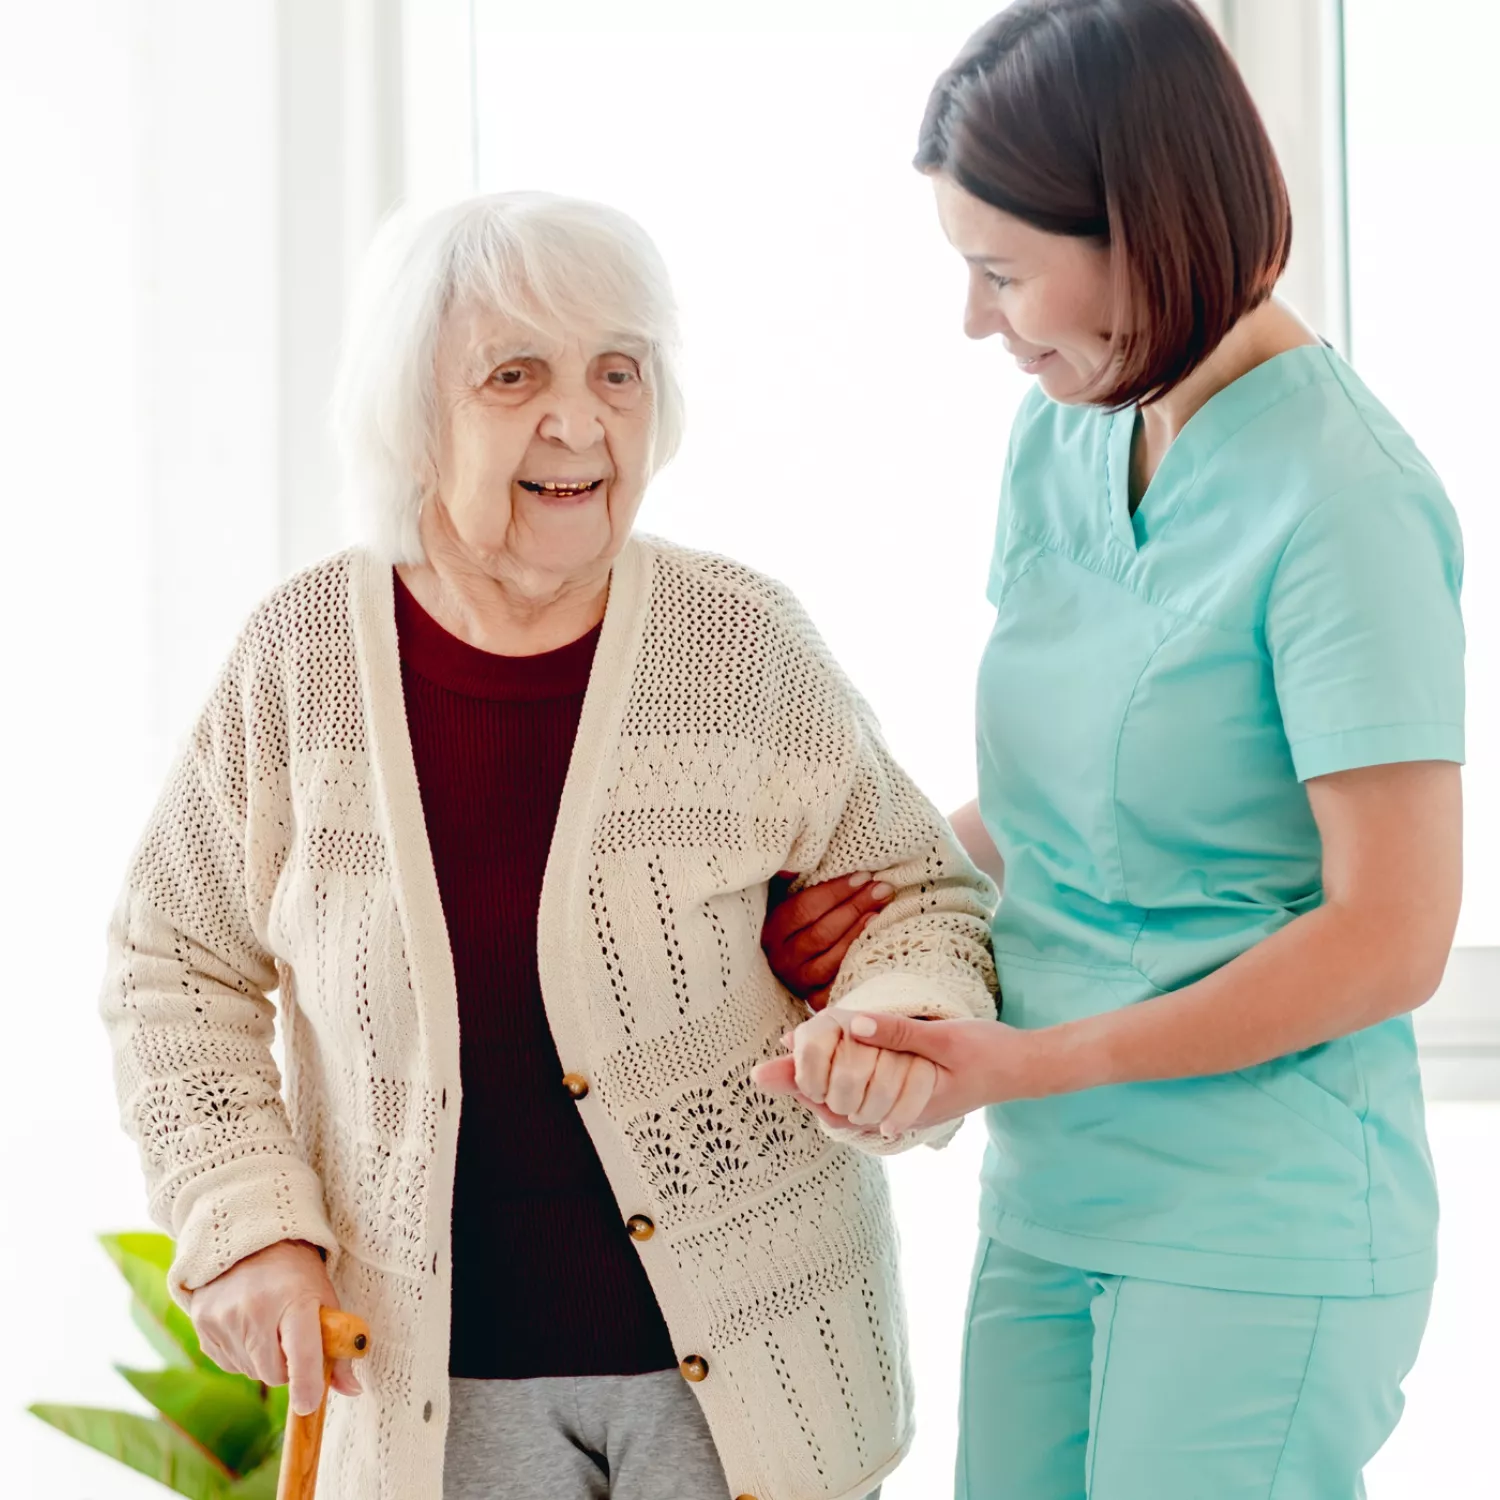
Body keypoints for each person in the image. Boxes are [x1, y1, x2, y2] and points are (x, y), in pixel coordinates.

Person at [100, 190, 997, 1500]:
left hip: (754, 1379)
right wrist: (245, 1227)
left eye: (616, 373)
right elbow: (175, 965)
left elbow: (920, 904)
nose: (577, 422)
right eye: (515, 375)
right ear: (416, 412)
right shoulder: (300, 662)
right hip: (435, 1397)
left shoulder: (742, 644)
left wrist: (889, 1027)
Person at [756, 3, 1465, 1497]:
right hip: (1055, 1198)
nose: (977, 322)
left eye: (1002, 273)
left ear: (1143, 226)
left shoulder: (1344, 500)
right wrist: (896, 889)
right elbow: (1058, 804)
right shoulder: (1065, 436)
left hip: (1255, 1226)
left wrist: (1026, 1062)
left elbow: (1391, 936)